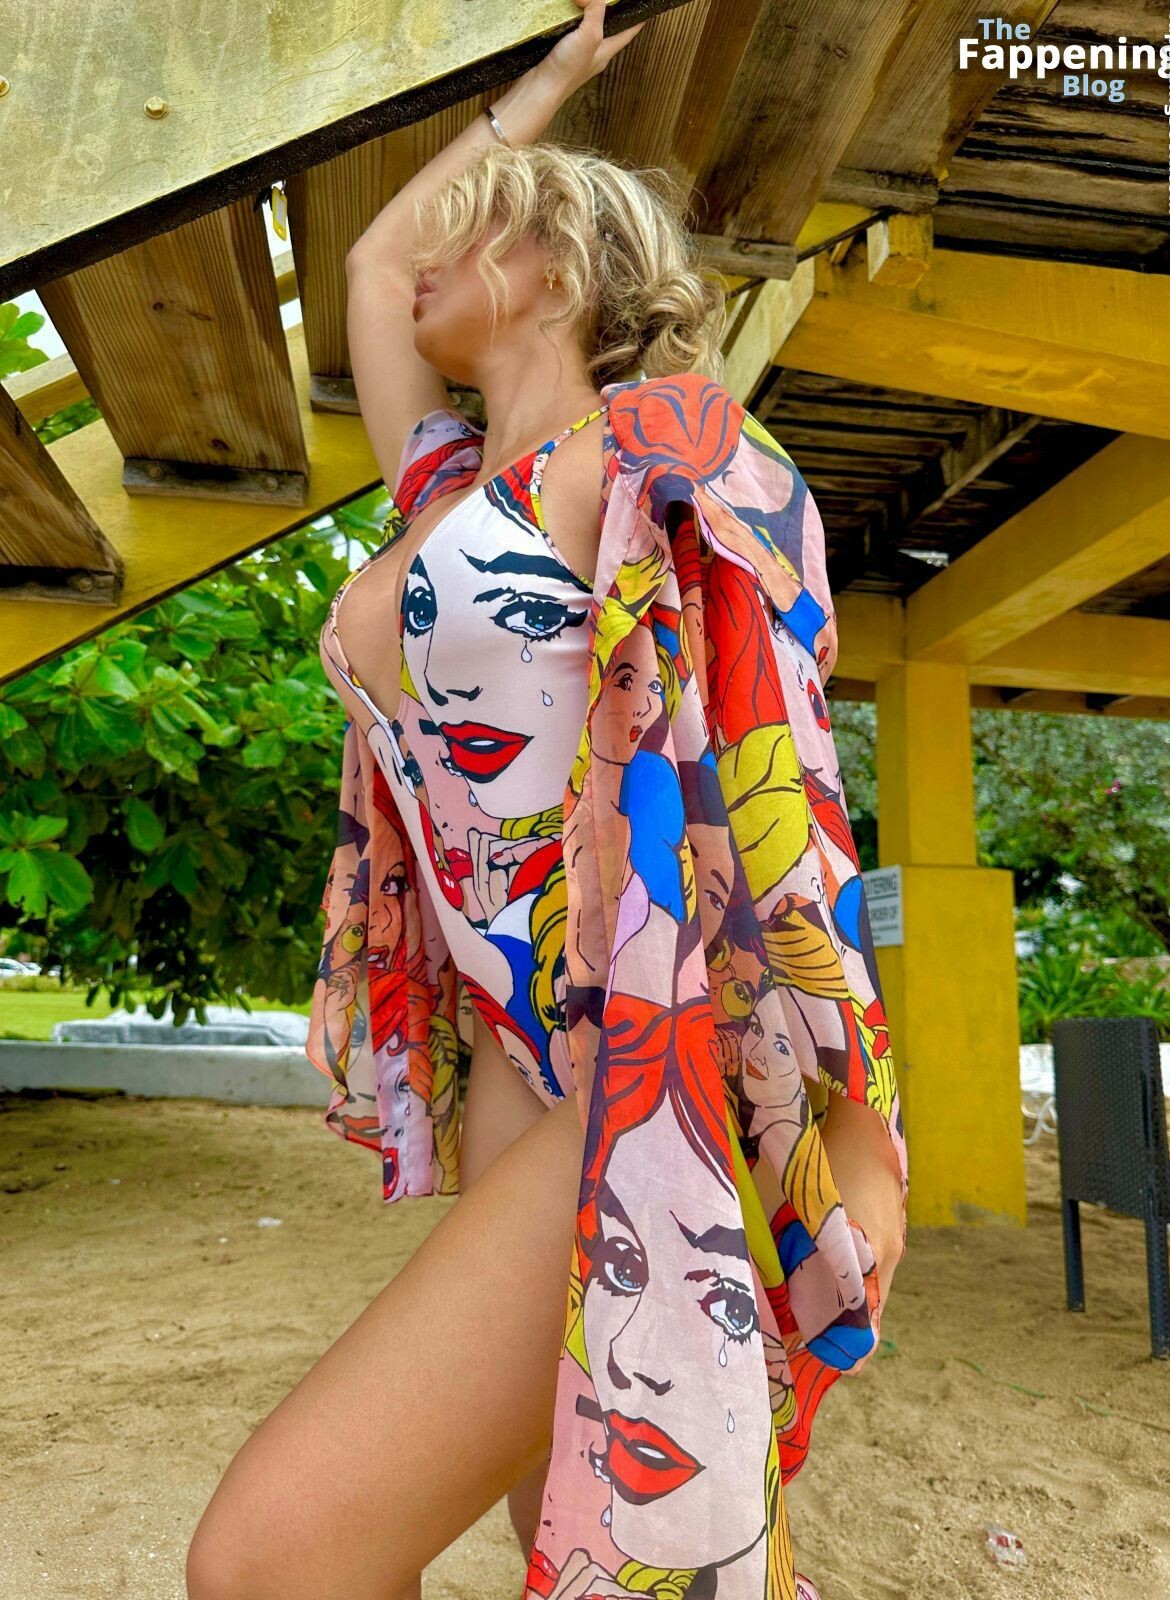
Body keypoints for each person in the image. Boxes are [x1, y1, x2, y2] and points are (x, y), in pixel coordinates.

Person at [186, 4, 907, 1597]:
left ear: (561, 262)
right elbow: (372, 261)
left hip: (640, 1044)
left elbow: (780, 767)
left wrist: (863, 1131)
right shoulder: (446, 490)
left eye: (477, 226)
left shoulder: (652, 445)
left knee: (270, 1561)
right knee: (571, 1543)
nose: (427, 256)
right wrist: (555, 79)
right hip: (510, 1056)